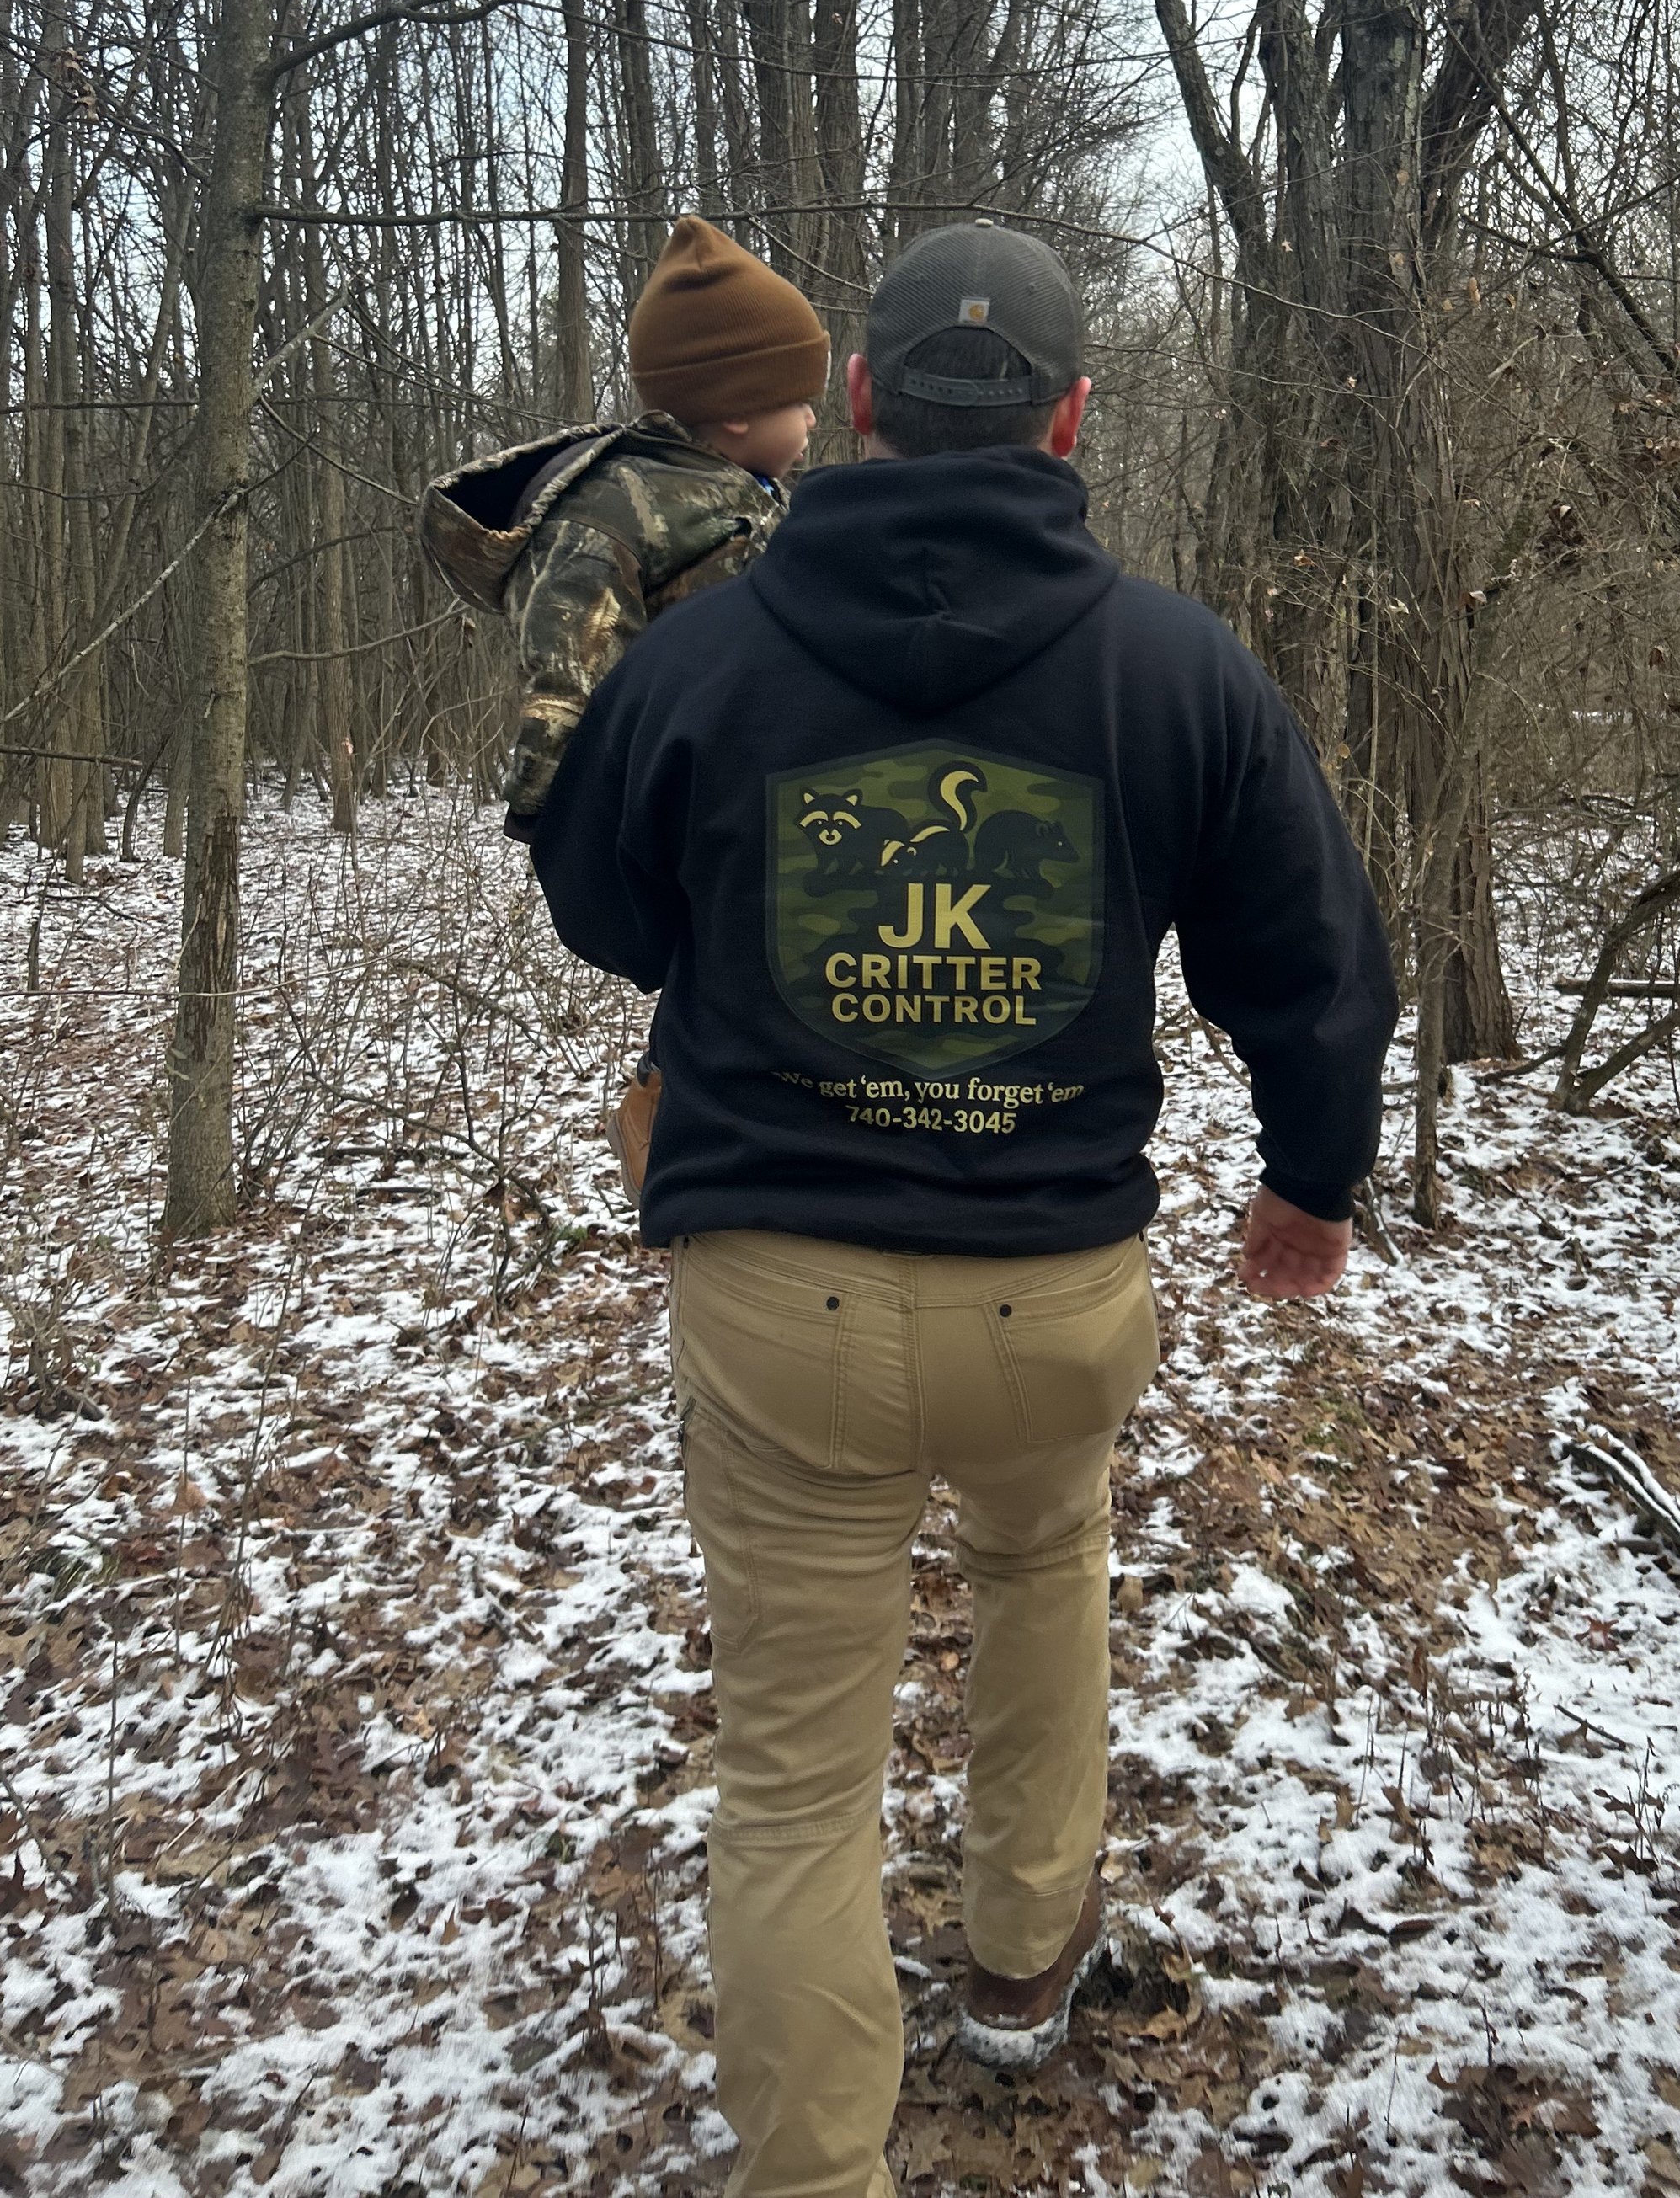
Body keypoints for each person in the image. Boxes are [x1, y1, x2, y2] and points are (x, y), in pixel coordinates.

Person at [530, 221, 1398, 2198]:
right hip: (1053, 1294)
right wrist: (1310, 1173)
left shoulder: (705, 648)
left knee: (799, 1778)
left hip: (779, 1301)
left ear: (855, 406)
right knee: (1040, 1581)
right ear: (1073, 418)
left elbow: (598, 896)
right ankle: (1020, 1965)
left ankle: (818, 2171)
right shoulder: (1178, 667)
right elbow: (1314, 949)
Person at [418, 214, 828, 837]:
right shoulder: (602, 519)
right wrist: (550, 814)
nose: (813, 420)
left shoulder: (766, 500)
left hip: (766, 804)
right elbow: (565, 680)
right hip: (669, 819)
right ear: (740, 409)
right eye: (801, 401)